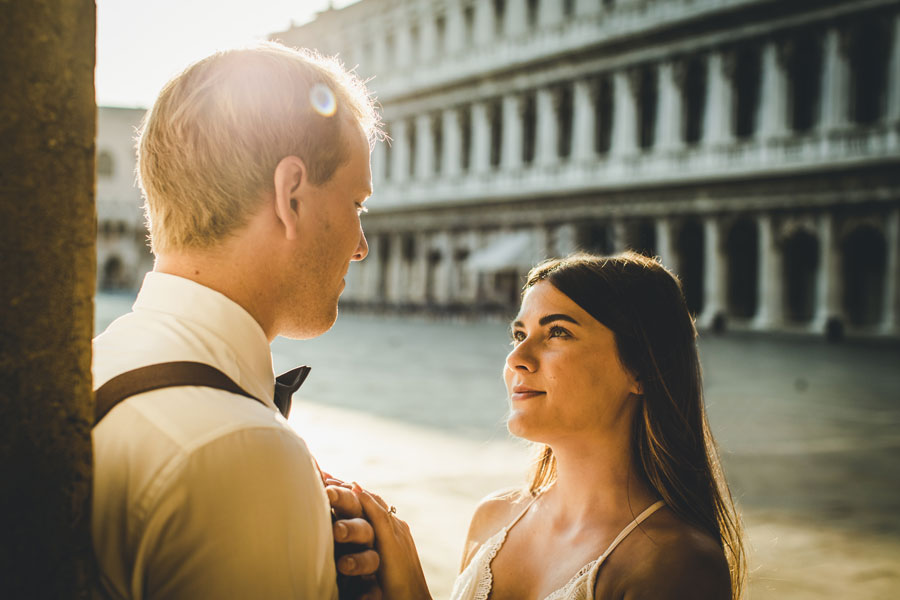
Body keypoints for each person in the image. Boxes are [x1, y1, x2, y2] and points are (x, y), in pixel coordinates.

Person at [92, 42, 384, 599]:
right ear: (291, 195)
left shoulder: (94, 360)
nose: (361, 246)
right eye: (356, 205)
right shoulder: (238, 449)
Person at [334, 251, 747, 600]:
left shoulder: (675, 564)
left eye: (557, 333)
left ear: (641, 369)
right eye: (519, 334)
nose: (518, 358)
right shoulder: (492, 518)